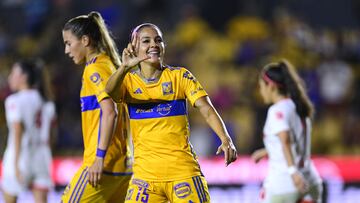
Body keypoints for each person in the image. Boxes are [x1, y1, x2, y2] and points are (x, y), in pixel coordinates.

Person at [105, 23, 237, 203]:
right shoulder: (128, 81)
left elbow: (206, 108)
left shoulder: (180, 77)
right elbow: (110, 92)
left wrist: (225, 138)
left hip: (183, 174)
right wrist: (123, 67)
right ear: (134, 48)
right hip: (145, 179)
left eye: (158, 40)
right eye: (146, 41)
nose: (154, 44)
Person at [61, 11, 132, 202]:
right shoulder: (110, 64)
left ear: (85, 40)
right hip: (123, 167)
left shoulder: (95, 69)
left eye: (69, 43)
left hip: (103, 164)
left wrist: (99, 157)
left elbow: (110, 112)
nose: (67, 50)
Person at [251, 59, 322, 203]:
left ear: (270, 86)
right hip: (311, 180)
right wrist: (266, 151)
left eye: (261, 86)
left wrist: (293, 173)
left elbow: (286, 140)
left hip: (285, 183)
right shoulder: (300, 106)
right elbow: (294, 141)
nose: (261, 91)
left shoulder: (277, 110)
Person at [2, 60, 48, 203]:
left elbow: (17, 132)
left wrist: (15, 165)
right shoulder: (43, 99)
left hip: (19, 159)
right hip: (40, 158)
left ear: (23, 77)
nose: (10, 77)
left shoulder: (13, 100)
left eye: (13, 73)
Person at [33, 60, 57, 203]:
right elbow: (53, 135)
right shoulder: (49, 104)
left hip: (25, 151)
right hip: (43, 154)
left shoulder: (19, 100)